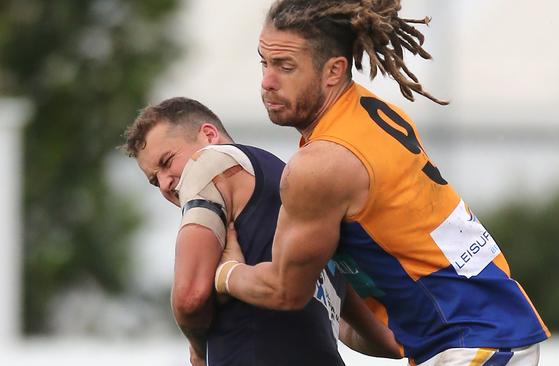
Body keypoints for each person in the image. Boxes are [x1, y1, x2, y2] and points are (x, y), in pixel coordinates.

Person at [215, 1, 551, 365]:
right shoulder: (368, 110)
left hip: (472, 341)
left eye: (285, 67)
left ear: (333, 70)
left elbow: (285, 291)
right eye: (264, 63)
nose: (266, 81)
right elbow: (390, 336)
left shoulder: (321, 164)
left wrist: (225, 273)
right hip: (481, 329)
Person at [120, 97, 401, 366]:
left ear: (208, 135)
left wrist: (198, 349)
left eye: (167, 161)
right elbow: (385, 340)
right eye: (154, 181)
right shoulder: (310, 206)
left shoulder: (208, 163)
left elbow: (190, 298)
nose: (166, 183)